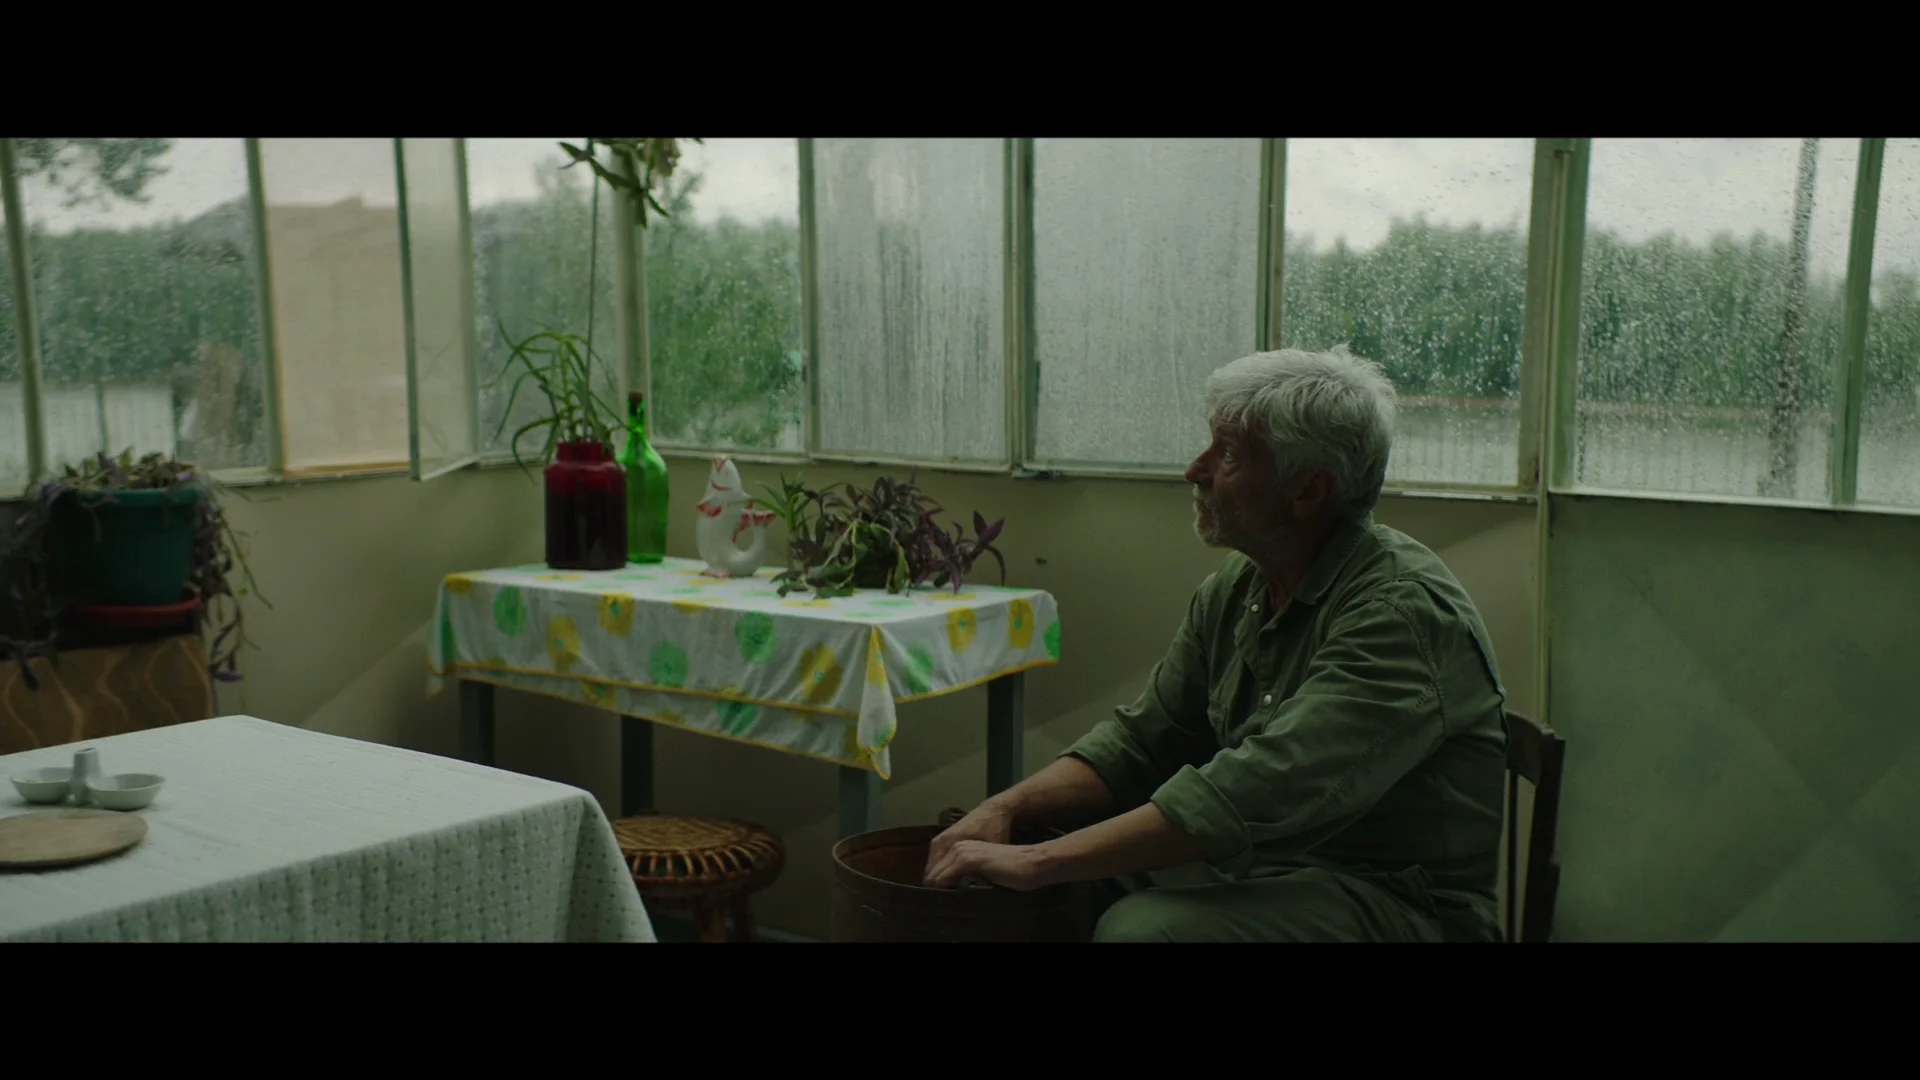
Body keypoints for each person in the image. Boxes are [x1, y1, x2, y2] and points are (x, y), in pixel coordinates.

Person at [923, 346, 1510, 943]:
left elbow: (1259, 790)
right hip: (1269, 870)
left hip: (1400, 904)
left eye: (1227, 453)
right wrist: (1004, 810)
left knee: (1141, 931)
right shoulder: (1241, 586)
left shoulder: (1400, 615)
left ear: (1308, 490)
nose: (1194, 469)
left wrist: (1039, 861)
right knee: (1055, 889)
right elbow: (1142, 742)